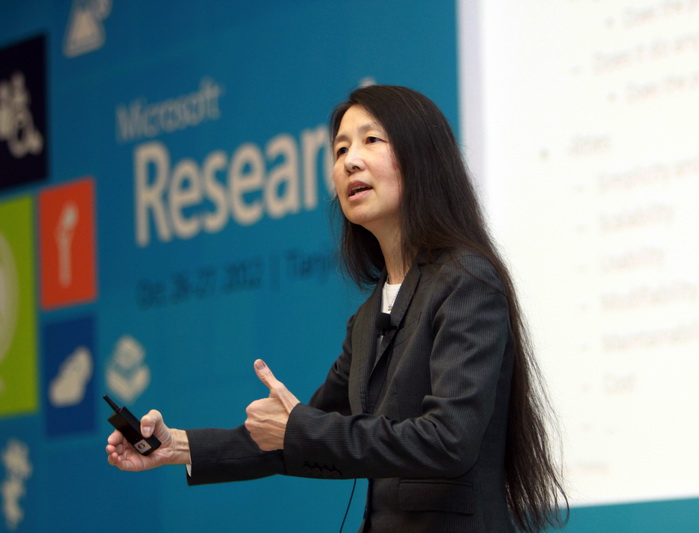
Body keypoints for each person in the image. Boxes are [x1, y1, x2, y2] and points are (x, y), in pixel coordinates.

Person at [106, 85, 568, 532]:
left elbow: (449, 440)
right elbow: (295, 435)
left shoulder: (466, 280)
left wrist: (301, 427)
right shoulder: (367, 319)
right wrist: (177, 446)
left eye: (371, 140)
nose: (350, 160)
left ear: (422, 158)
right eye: (340, 149)